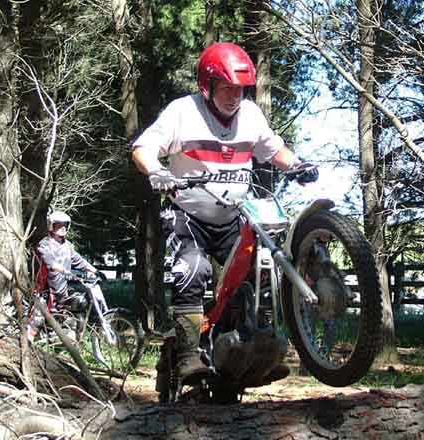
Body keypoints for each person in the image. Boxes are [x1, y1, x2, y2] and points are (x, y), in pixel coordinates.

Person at [131, 42, 319, 386]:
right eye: (228, 89)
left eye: (241, 90)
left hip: (233, 215)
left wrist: (297, 166)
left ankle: (252, 352)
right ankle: (188, 355)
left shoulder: (250, 115)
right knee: (193, 269)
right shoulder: (182, 112)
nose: (235, 97)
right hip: (187, 215)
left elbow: (273, 149)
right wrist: (157, 172)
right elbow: (143, 148)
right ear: (208, 85)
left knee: (259, 273)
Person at [28, 211, 98, 340]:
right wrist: (65, 270)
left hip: (63, 290)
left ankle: (71, 344)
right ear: (51, 226)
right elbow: (50, 262)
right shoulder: (44, 244)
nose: (62, 228)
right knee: (36, 320)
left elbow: (78, 260)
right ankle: (28, 344)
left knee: (74, 313)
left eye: (65, 225)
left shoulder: (68, 246)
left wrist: (94, 270)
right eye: (58, 225)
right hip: (45, 289)